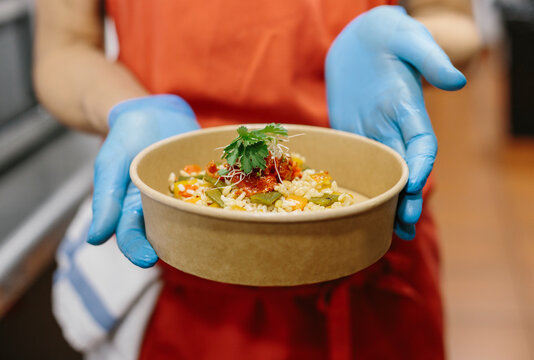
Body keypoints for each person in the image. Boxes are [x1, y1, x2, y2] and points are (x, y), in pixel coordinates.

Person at [34, 0, 479, 359]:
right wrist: (126, 107)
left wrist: (397, 36)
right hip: (188, 265)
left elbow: (457, 21)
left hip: (369, 249)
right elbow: (64, 47)